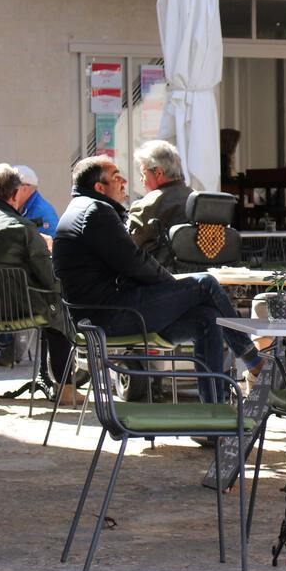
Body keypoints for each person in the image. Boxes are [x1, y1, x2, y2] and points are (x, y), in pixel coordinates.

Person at [52, 155, 261, 403]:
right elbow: (134, 261)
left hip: (102, 313)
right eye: (116, 176)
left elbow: (130, 262)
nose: (124, 181)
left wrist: (174, 292)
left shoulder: (83, 208)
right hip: (108, 316)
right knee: (205, 284)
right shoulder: (96, 211)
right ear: (99, 187)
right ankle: (254, 362)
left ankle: (212, 413)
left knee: (208, 318)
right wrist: (174, 288)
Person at [0, 164, 80, 403]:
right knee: (58, 306)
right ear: (15, 194)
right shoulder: (22, 228)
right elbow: (48, 278)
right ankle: (65, 385)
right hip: (16, 310)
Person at [126, 140, 193, 268]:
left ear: (158, 172)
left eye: (143, 174)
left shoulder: (150, 202)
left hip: (162, 277)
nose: (142, 180)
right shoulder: (195, 196)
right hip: (205, 273)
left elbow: (129, 245)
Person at [13, 165, 59, 237]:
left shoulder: (43, 212)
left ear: (24, 189)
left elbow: (49, 245)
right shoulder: (22, 207)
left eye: (11, 186)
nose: (7, 191)